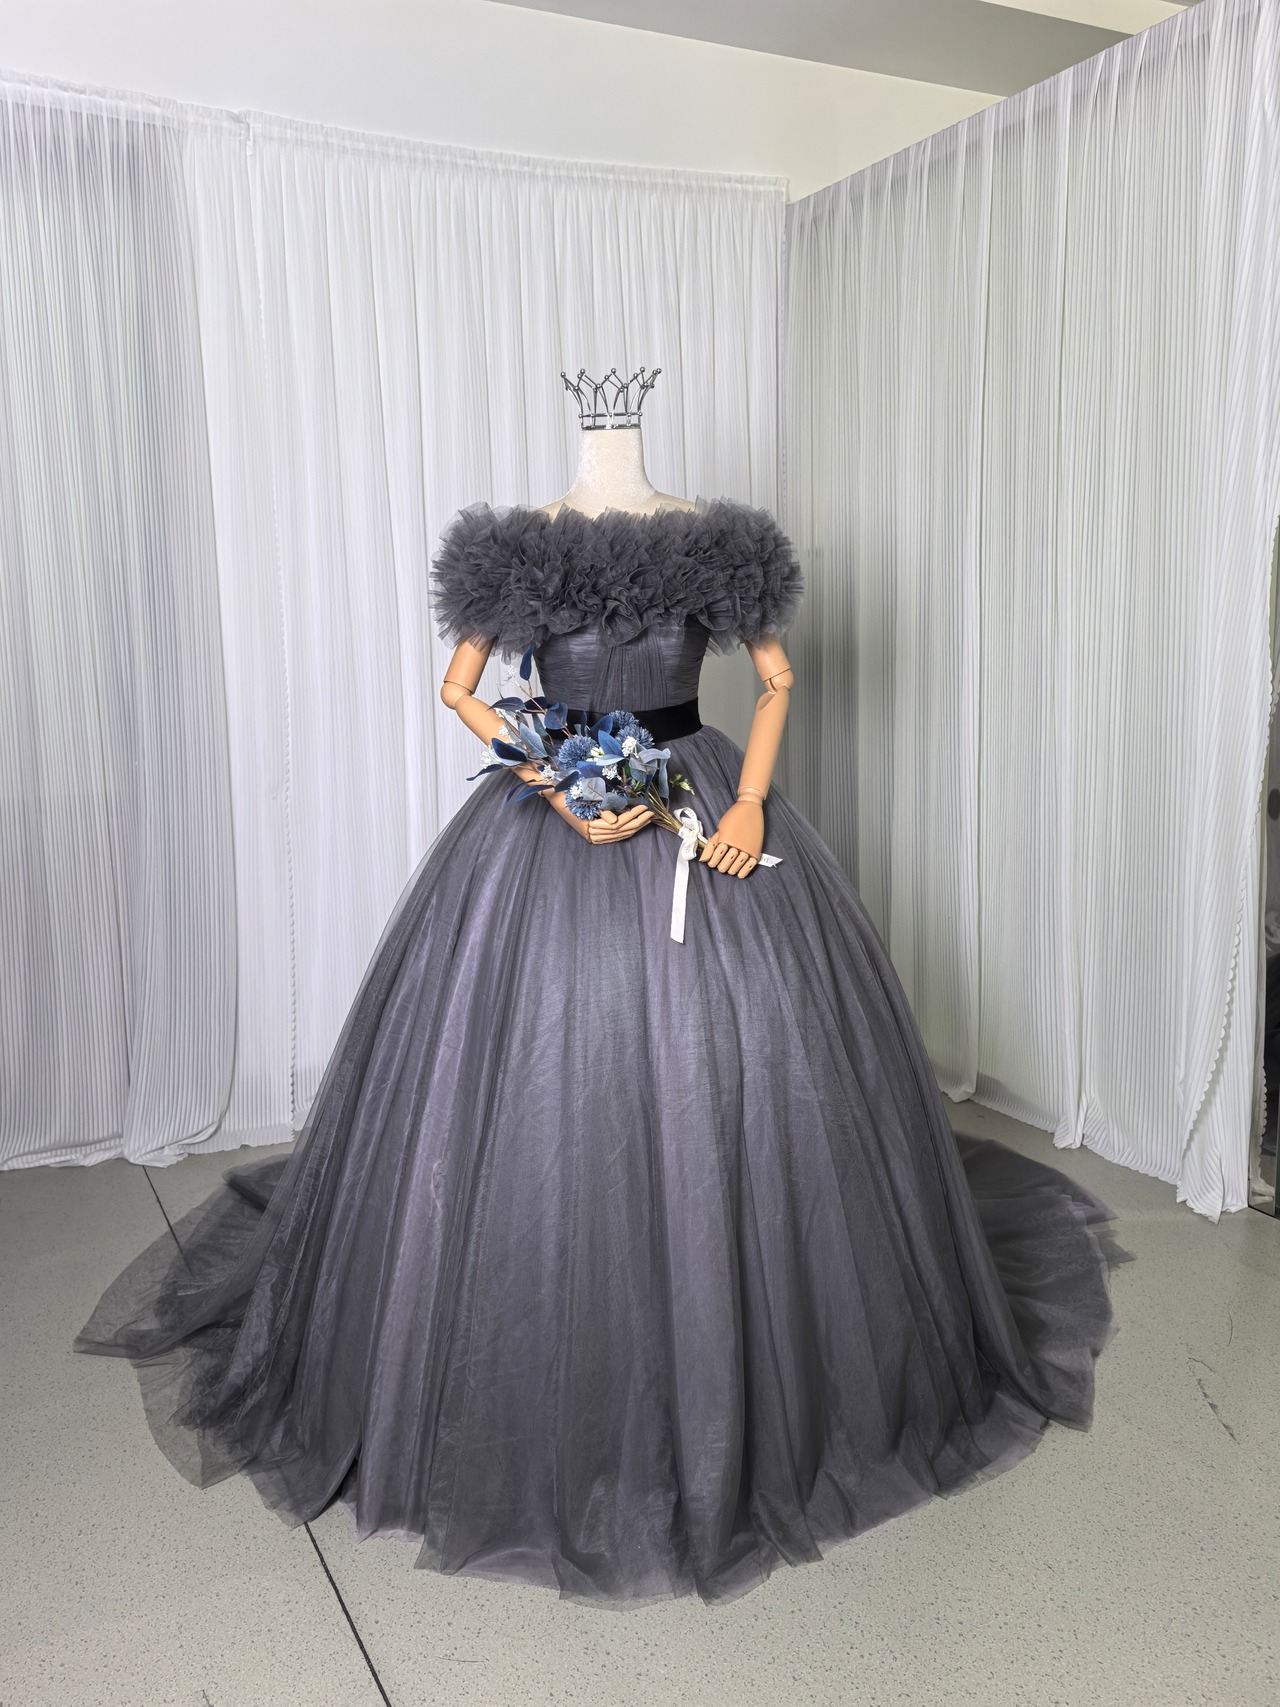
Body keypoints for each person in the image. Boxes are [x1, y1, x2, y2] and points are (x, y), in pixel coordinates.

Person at [76, 369, 1120, 1606]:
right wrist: (555, 780)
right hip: (553, 819)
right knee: (532, 1069)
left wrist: (743, 804)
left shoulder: (713, 541)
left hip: (699, 808)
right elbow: (460, 689)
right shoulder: (517, 546)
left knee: (737, 1057)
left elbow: (775, 681)